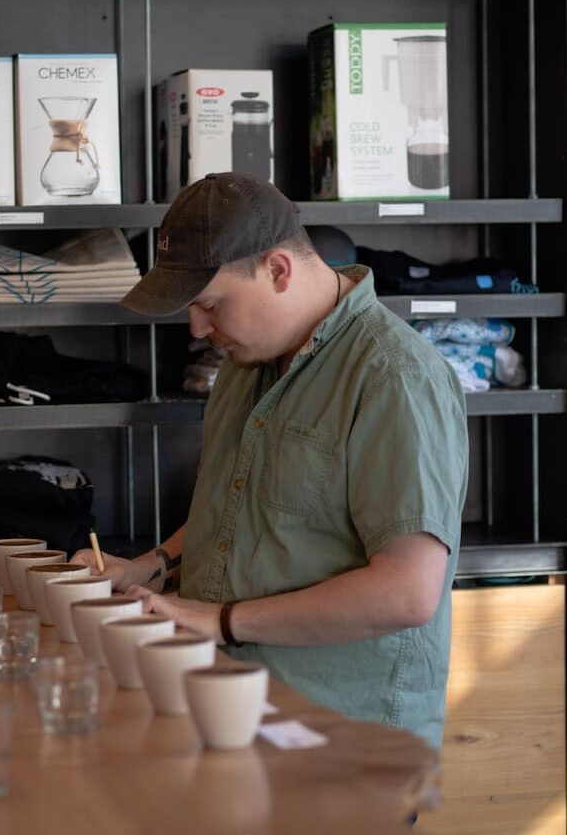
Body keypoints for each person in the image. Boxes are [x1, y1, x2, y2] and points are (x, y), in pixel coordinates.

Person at [73, 171, 468, 751]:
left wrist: (220, 619)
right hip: (233, 712)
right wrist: (151, 565)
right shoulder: (245, 365)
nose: (198, 327)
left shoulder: (394, 377)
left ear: (278, 270)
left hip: (342, 746)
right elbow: (245, 508)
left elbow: (406, 593)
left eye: (210, 304)